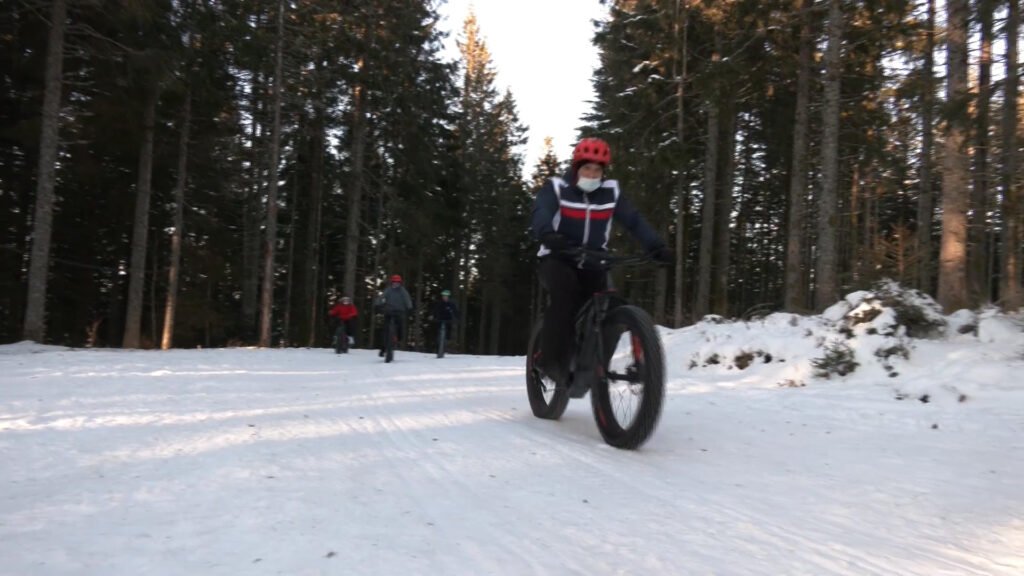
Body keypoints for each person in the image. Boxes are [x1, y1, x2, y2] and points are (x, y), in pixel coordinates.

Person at [530, 137, 673, 386]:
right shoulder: (557, 188)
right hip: (558, 257)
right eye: (587, 168)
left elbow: (634, 221)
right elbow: (541, 210)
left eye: (598, 170)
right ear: (577, 167)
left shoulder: (610, 193)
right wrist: (547, 234)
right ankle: (551, 361)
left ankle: (596, 368)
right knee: (565, 295)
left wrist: (656, 246)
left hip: (595, 261)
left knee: (613, 305)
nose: (592, 174)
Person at [375, 274, 414, 356]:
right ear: (391, 282)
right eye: (394, 282)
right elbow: (382, 297)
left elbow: (407, 299)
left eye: (397, 282)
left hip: (399, 311)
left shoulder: (403, 291)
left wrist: (410, 308)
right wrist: (377, 304)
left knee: (400, 327)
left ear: (400, 283)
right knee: (385, 330)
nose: (396, 284)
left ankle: (397, 338)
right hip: (389, 311)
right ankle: (383, 348)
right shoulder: (388, 290)